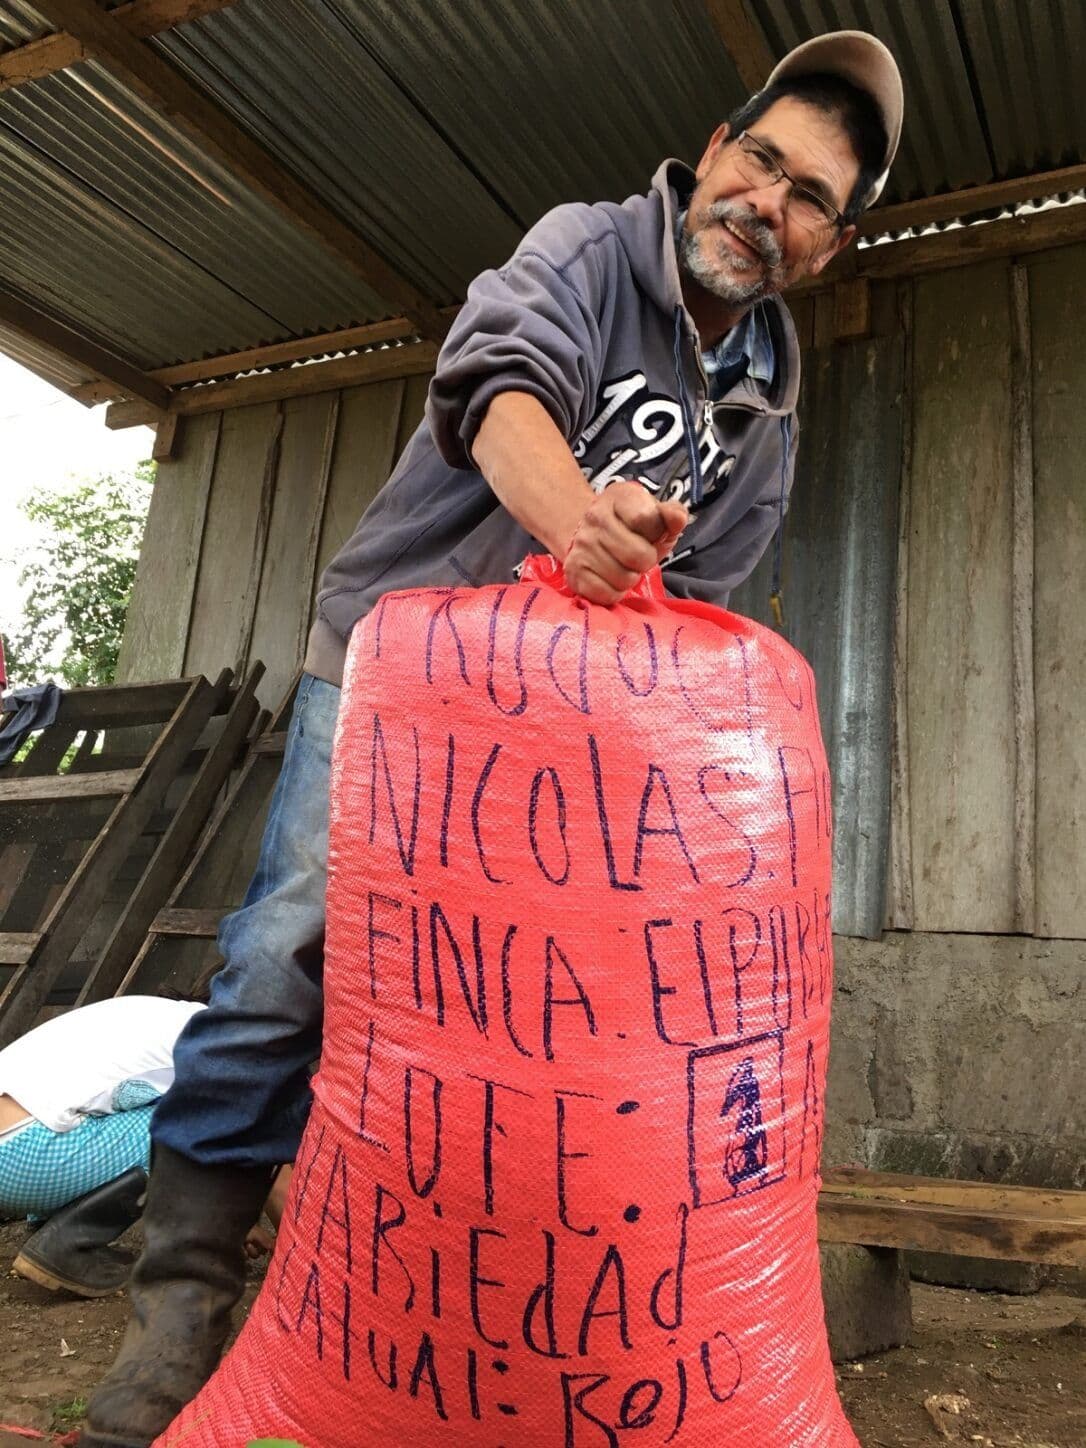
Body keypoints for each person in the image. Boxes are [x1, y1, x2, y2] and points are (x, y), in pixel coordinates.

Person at [81, 29, 903, 1447]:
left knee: (534, 1025)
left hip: (565, 741)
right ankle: (183, 1301)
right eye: (760, 160)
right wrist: (576, 515)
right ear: (713, 151)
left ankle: (454, 1310)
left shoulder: (762, 383)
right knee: (288, 960)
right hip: (397, 675)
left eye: (809, 196)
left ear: (825, 246)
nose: (766, 203)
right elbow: (494, 389)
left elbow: (703, 602)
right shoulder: (589, 245)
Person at [0, 994, 204, 1296]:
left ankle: (49, 1225)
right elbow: (245, 1134)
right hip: (19, 1159)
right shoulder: (211, 1037)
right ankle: (66, 1245)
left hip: (17, 1150)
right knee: (201, 1123)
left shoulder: (146, 1012)